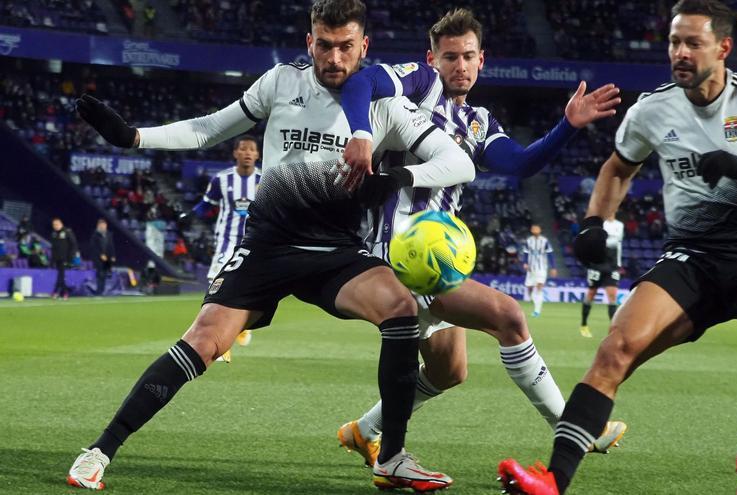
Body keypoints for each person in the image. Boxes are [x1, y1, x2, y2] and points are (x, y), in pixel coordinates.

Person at [66, 0, 473, 491]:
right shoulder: (282, 82)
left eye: (346, 47)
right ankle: (100, 450)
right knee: (203, 341)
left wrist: (399, 177)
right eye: (325, 45)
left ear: (363, 47)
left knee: (401, 308)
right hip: (269, 245)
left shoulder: (386, 106)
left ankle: (391, 457)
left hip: (336, 251)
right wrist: (133, 138)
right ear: (310, 43)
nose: (335, 59)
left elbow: (458, 163)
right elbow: (206, 129)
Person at [497, 1, 737, 494]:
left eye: (692, 43)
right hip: (691, 260)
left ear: (723, 47)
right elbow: (617, 168)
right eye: (674, 42)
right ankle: (554, 479)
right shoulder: (652, 109)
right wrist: (596, 222)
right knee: (616, 347)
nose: (679, 52)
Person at [333, 7, 626, 470]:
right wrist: (362, 133)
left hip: (434, 258)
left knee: (451, 371)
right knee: (509, 315)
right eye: (449, 56)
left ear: (482, 59)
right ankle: (576, 428)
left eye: (468, 56)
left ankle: (363, 431)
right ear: (431, 58)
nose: (460, 66)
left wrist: (567, 125)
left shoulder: (478, 122)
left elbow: (520, 164)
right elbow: (363, 83)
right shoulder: (415, 90)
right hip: (397, 252)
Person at [185, 134, 262, 361]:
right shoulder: (221, 179)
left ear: (257, 155)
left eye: (252, 149)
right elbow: (206, 205)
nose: (247, 153)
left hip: (255, 243)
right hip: (226, 243)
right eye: (243, 149)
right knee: (215, 287)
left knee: (251, 290)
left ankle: (241, 327)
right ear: (235, 153)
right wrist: (189, 215)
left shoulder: (265, 179)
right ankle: (220, 341)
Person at [579, 215, 624, 338]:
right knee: (591, 293)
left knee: (612, 296)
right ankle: (583, 325)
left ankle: (613, 330)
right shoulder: (598, 224)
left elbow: (617, 243)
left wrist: (618, 264)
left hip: (612, 265)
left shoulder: (619, 225)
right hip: (597, 263)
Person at [523, 224, 557, 317]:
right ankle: (533, 300)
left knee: (538, 287)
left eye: (537, 228)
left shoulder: (544, 241)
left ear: (540, 230)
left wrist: (553, 267)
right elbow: (525, 253)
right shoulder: (529, 241)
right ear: (531, 230)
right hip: (531, 269)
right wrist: (525, 263)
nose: (535, 230)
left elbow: (550, 254)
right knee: (529, 287)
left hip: (541, 268)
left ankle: (537, 311)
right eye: (533, 228)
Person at [50, 218, 79, 300]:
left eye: (56, 224)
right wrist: (52, 260)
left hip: (65, 258)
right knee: (60, 275)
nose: (55, 226)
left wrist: (71, 257)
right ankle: (63, 293)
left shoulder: (67, 232)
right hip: (57, 258)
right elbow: (53, 248)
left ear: (61, 224)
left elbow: (73, 244)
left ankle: (57, 292)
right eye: (53, 225)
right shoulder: (54, 234)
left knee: (61, 275)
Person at [89, 218, 116, 296]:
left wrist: (113, 255)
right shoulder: (95, 235)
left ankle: (102, 291)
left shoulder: (109, 234)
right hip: (98, 258)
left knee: (104, 274)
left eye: (104, 225)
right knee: (100, 274)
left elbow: (111, 246)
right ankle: (99, 291)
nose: (103, 226)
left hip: (107, 258)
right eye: (101, 225)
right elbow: (93, 247)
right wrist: (100, 254)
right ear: (98, 226)